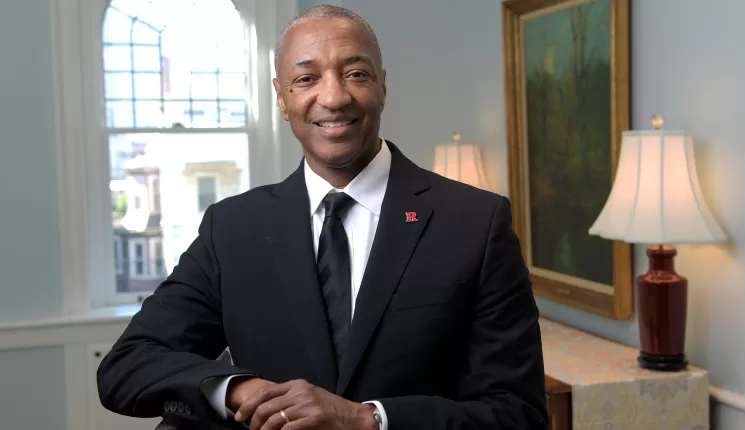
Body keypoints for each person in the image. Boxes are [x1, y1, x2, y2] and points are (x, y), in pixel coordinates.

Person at [96, 5, 548, 430]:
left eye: (356, 74)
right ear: (282, 98)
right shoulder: (231, 228)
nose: (333, 98)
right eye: (306, 78)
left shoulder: (476, 223)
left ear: (383, 87)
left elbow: (519, 413)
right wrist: (242, 391)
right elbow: (127, 364)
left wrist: (367, 420)